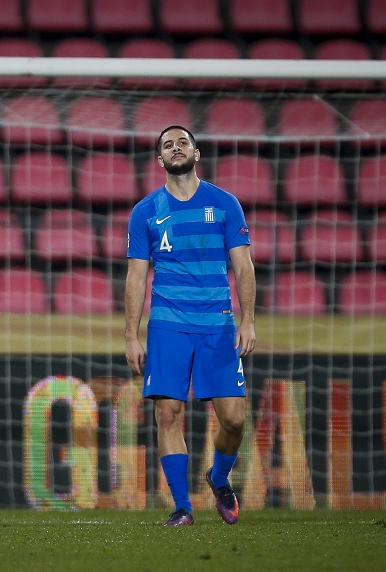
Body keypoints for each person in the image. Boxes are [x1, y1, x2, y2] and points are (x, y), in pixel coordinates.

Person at [124, 126, 257, 527]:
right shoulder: (145, 211)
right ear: (160, 160)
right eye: (168, 145)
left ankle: (219, 478)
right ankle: (183, 507)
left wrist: (248, 320)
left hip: (218, 325)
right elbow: (136, 277)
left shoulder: (225, 203)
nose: (176, 147)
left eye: (182, 142)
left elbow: (243, 266)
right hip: (167, 325)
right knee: (168, 413)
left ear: (196, 153)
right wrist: (131, 335)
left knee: (234, 420)